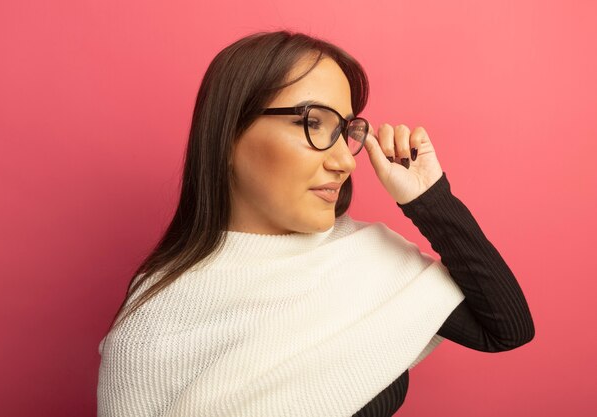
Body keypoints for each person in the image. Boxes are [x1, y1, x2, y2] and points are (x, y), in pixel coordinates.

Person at [96, 30, 535, 417]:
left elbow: (505, 329)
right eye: (313, 122)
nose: (346, 159)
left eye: (345, 130)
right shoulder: (153, 330)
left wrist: (429, 198)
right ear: (228, 135)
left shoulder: (364, 256)